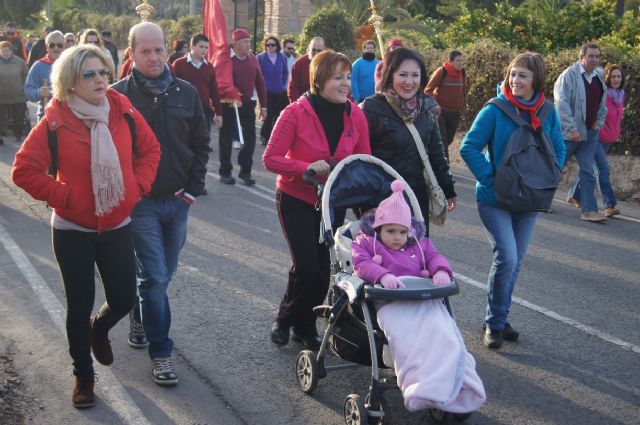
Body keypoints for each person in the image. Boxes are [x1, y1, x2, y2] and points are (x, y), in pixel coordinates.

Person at [11, 44, 160, 408]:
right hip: (71, 229)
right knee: (79, 304)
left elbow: (151, 151)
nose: (100, 79)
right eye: (89, 74)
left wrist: (135, 188)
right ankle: (83, 374)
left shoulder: (122, 111)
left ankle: (101, 329)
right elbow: (23, 170)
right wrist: (65, 196)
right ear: (70, 82)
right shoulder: (55, 122)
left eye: (103, 72)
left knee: (124, 297)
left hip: (117, 223)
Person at [112, 21, 210, 386]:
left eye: (158, 50)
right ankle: (161, 352)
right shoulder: (117, 97)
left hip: (178, 202)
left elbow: (201, 144)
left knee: (161, 277)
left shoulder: (186, 92)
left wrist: (191, 191)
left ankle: (140, 314)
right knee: (154, 277)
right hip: (142, 206)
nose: (153, 57)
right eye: (145, 51)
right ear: (131, 54)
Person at [263, 49, 372, 349]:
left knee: (322, 274)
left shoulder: (356, 115)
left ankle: (304, 325)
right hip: (295, 197)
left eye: (348, 78)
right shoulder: (295, 112)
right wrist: (304, 168)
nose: (345, 84)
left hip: (331, 203)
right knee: (306, 267)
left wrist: (368, 206)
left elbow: (363, 162)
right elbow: (270, 158)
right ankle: (285, 319)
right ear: (319, 79)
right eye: (338, 77)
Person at [351, 180, 486, 414]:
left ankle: (456, 382)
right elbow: (360, 263)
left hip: (424, 300)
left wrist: (441, 270)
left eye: (402, 232)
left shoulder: (419, 244)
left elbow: (435, 256)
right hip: (391, 303)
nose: (397, 237)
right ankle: (423, 385)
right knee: (410, 339)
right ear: (379, 229)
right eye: (391, 231)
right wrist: (382, 275)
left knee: (445, 333)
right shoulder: (368, 244)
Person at [460, 52, 566, 349]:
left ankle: (499, 316)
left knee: (514, 262)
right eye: (513, 74)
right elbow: (469, 147)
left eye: (523, 75)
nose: (515, 80)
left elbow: (558, 149)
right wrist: (492, 179)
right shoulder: (495, 109)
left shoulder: (547, 111)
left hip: (531, 198)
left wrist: (550, 177)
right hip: (495, 199)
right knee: (506, 257)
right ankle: (494, 324)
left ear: (536, 80)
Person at [362, 47, 456, 236]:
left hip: (416, 196)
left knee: (417, 256)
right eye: (402, 74)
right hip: (381, 198)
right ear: (390, 75)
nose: (409, 81)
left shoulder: (427, 106)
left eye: (415, 75)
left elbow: (436, 152)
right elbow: (363, 159)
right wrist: (365, 204)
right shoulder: (372, 108)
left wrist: (448, 188)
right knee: (383, 260)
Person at [554, 43, 608, 222]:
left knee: (588, 171)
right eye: (591, 56)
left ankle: (589, 210)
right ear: (581, 57)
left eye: (597, 56)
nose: (594, 60)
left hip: (589, 133)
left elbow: (602, 102)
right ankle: (540, 200)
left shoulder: (599, 75)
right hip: (570, 134)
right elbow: (561, 103)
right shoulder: (568, 76)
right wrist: (571, 128)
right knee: (555, 167)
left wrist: (599, 122)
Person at [567, 64, 624, 217]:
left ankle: (575, 195)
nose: (616, 79)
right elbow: (594, 110)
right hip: (596, 138)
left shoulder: (620, 95)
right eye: (613, 76)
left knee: (589, 168)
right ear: (607, 78)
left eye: (619, 76)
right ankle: (609, 205)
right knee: (603, 169)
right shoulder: (603, 94)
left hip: (609, 139)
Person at [218, 28, 267, 186]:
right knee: (225, 138)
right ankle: (225, 171)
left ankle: (245, 171)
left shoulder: (252, 59)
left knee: (250, 138)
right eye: (245, 42)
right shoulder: (226, 59)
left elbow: (260, 83)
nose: (248, 45)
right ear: (236, 44)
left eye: (248, 41)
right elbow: (219, 80)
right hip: (228, 104)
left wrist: (264, 106)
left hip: (247, 105)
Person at [173, 33, 223, 134]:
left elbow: (214, 91)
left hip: (203, 110)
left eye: (206, 47)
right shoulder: (178, 64)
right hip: (183, 108)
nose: (204, 50)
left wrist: (218, 113)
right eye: (201, 46)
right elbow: (171, 86)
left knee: (203, 142)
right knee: (184, 141)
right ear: (192, 46)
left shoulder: (209, 67)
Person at [425, 50, 466, 160]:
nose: (461, 63)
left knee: (448, 140)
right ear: (450, 61)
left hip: (454, 113)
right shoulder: (441, 71)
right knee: (442, 142)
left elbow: (463, 90)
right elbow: (427, 91)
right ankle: (445, 171)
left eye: (462, 60)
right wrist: (434, 106)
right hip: (440, 113)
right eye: (458, 61)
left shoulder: (462, 72)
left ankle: (431, 155)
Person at [25, 30, 65, 121]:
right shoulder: (38, 66)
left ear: (64, 46)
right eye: (52, 45)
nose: (56, 48)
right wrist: (39, 93)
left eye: (59, 45)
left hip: (69, 117)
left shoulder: (72, 65)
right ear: (46, 47)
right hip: (46, 117)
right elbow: (28, 91)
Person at [257, 35, 289, 146]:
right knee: (268, 115)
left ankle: (271, 135)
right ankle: (265, 136)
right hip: (266, 92)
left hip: (279, 91)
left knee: (278, 115)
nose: (270, 47)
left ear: (277, 46)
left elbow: (285, 72)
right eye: (268, 45)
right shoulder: (261, 58)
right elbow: (256, 74)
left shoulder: (282, 57)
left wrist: (283, 84)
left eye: (273, 45)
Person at [0, 41, 28, 144]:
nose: (5, 53)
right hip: (1, 95)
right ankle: (1, 134)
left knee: (19, 117)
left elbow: (26, 76)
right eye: (3, 51)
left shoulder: (20, 62)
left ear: (11, 51)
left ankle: (18, 134)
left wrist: (24, 88)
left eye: (7, 50)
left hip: (18, 95)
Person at [288, 36, 325, 103]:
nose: (316, 53)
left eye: (319, 51)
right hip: (304, 104)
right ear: (309, 49)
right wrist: (298, 105)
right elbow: (293, 88)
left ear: (324, 50)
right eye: (313, 50)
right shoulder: (299, 64)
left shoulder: (329, 64)